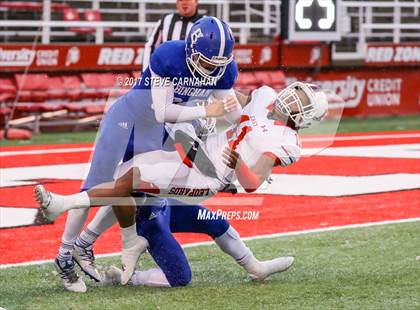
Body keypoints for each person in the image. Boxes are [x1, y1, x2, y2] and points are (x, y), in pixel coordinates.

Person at [35, 82, 328, 287]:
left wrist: (237, 161)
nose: (290, 98)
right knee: (133, 176)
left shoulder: (287, 142)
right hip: (196, 159)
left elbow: (251, 185)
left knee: (133, 179)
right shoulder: (265, 97)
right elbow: (234, 98)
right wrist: (219, 101)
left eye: (300, 101)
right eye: (296, 92)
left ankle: (66, 208)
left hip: (207, 175)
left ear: (306, 117)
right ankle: (89, 239)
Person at [51, 16, 240, 293]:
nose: (212, 69)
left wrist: (248, 136)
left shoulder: (223, 71)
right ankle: (64, 256)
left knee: (131, 190)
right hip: (128, 119)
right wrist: (206, 112)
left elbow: (236, 115)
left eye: (218, 64)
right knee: (96, 185)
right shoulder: (169, 56)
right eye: (207, 61)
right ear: (190, 51)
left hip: (157, 132)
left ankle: (84, 244)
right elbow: (162, 111)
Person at [142, 0, 203, 71]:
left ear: (196, 2)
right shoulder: (166, 20)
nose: (184, 3)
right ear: (177, 3)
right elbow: (150, 46)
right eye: (180, 0)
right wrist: (145, 70)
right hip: (166, 74)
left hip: (194, 75)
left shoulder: (204, 23)